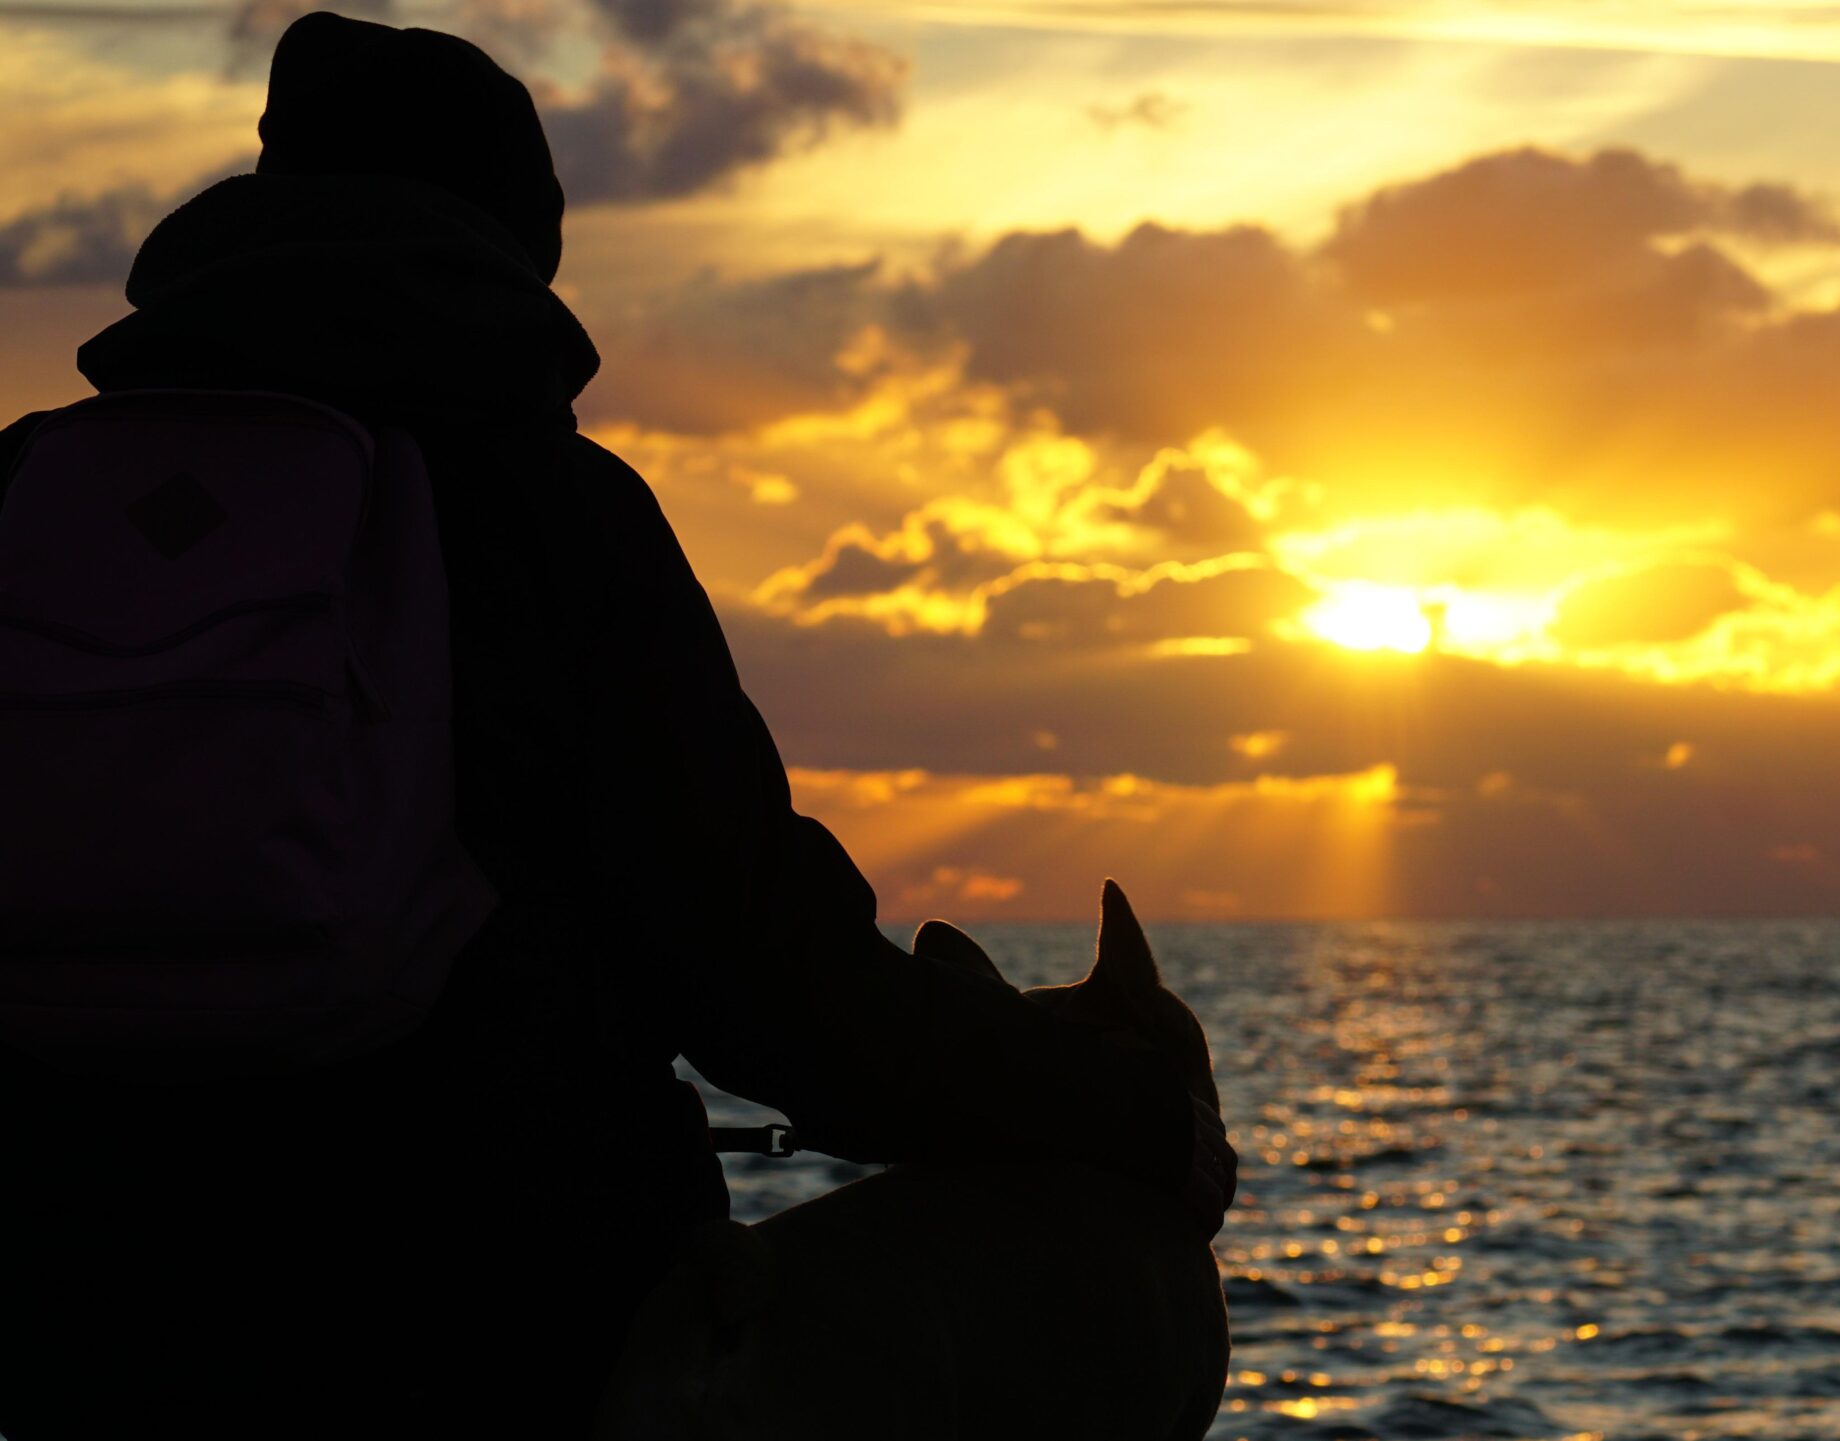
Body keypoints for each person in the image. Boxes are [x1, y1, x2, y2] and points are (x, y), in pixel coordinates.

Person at [0, 13, 1234, 1437]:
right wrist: (1123, 1118)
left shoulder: (28, 493)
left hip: (76, 1329)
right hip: (503, 1327)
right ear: (511, 256)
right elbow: (780, 989)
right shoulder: (546, 521)